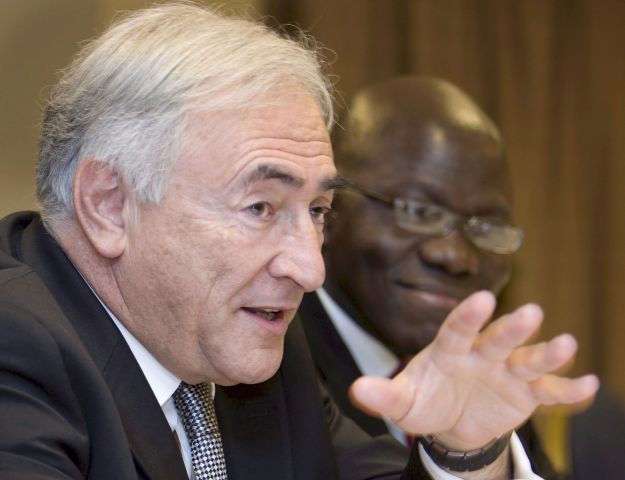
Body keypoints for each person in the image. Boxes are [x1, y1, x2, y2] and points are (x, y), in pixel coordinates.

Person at [0, 5, 598, 480]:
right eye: (260, 207)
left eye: (317, 211)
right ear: (108, 205)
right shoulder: (15, 348)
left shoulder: (258, 361)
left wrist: (463, 451)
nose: (310, 269)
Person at [297, 75, 618, 478]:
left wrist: (473, 450)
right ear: (328, 210)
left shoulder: (479, 377)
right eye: (418, 211)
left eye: (485, 227)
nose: (454, 256)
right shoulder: (278, 360)